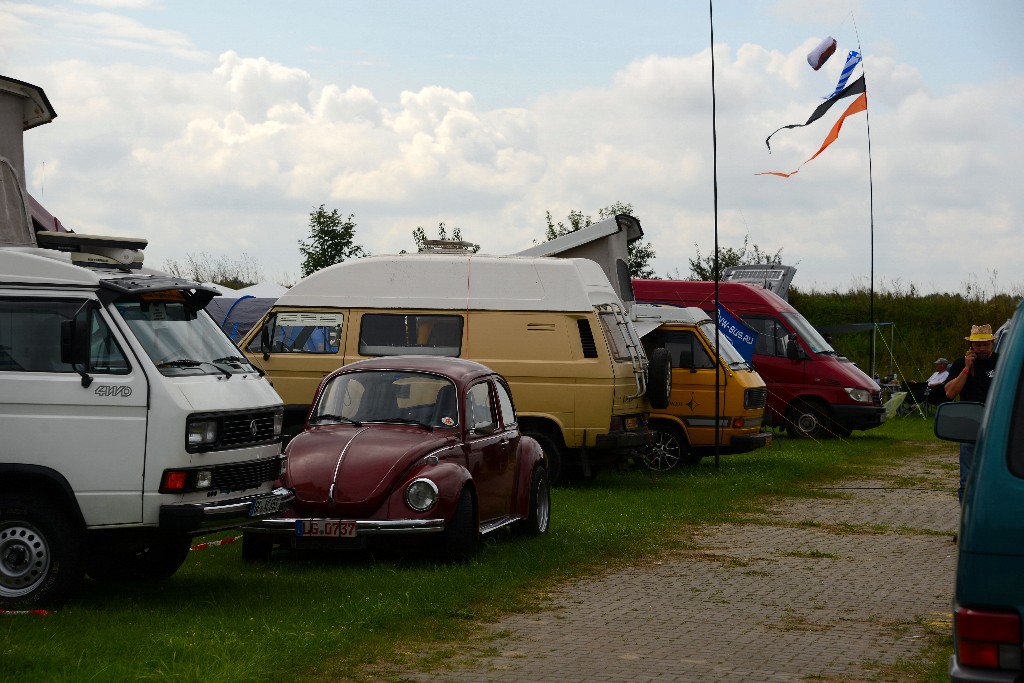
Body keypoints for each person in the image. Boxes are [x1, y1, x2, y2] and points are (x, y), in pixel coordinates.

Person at [944, 325, 999, 502]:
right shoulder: (961, 363)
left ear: (992, 344)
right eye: (978, 345)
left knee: (995, 475)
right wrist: (967, 369)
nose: (982, 349)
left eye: (986, 345)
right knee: (967, 479)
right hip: (969, 425)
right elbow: (950, 393)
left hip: (996, 424)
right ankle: (967, 519)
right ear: (971, 347)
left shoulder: (1002, 361)